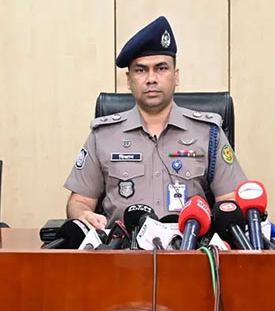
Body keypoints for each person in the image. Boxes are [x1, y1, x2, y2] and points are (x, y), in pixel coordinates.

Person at [64, 16, 247, 229]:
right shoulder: (103, 136)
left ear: (176, 77)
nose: (151, 78)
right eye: (141, 70)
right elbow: (79, 202)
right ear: (129, 80)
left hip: (189, 245)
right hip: (124, 246)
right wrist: (83, 215)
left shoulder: (208, 134)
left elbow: (230, 201)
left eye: (161, 68)